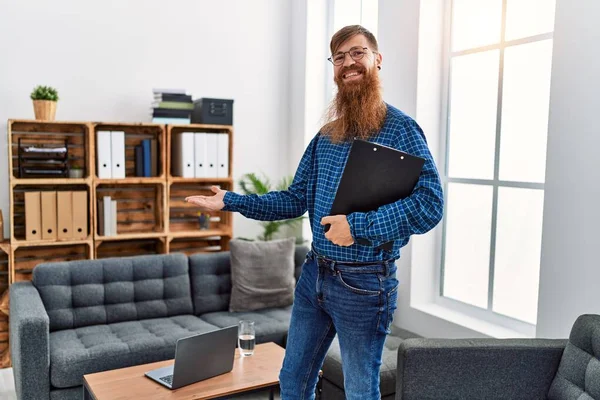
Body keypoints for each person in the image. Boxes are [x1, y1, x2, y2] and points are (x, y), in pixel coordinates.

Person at [185, 25, 444, 400]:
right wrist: (232, 201)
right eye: (339, 57)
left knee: (359, 392)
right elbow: (294, 199)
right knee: (293, 381)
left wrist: (357, 226)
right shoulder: (327, 135)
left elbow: (430, 205)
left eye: (357, 53)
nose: (348, 63)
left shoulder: (401, 129)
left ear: (377, 59)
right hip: (315, 276)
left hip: (365, 284)